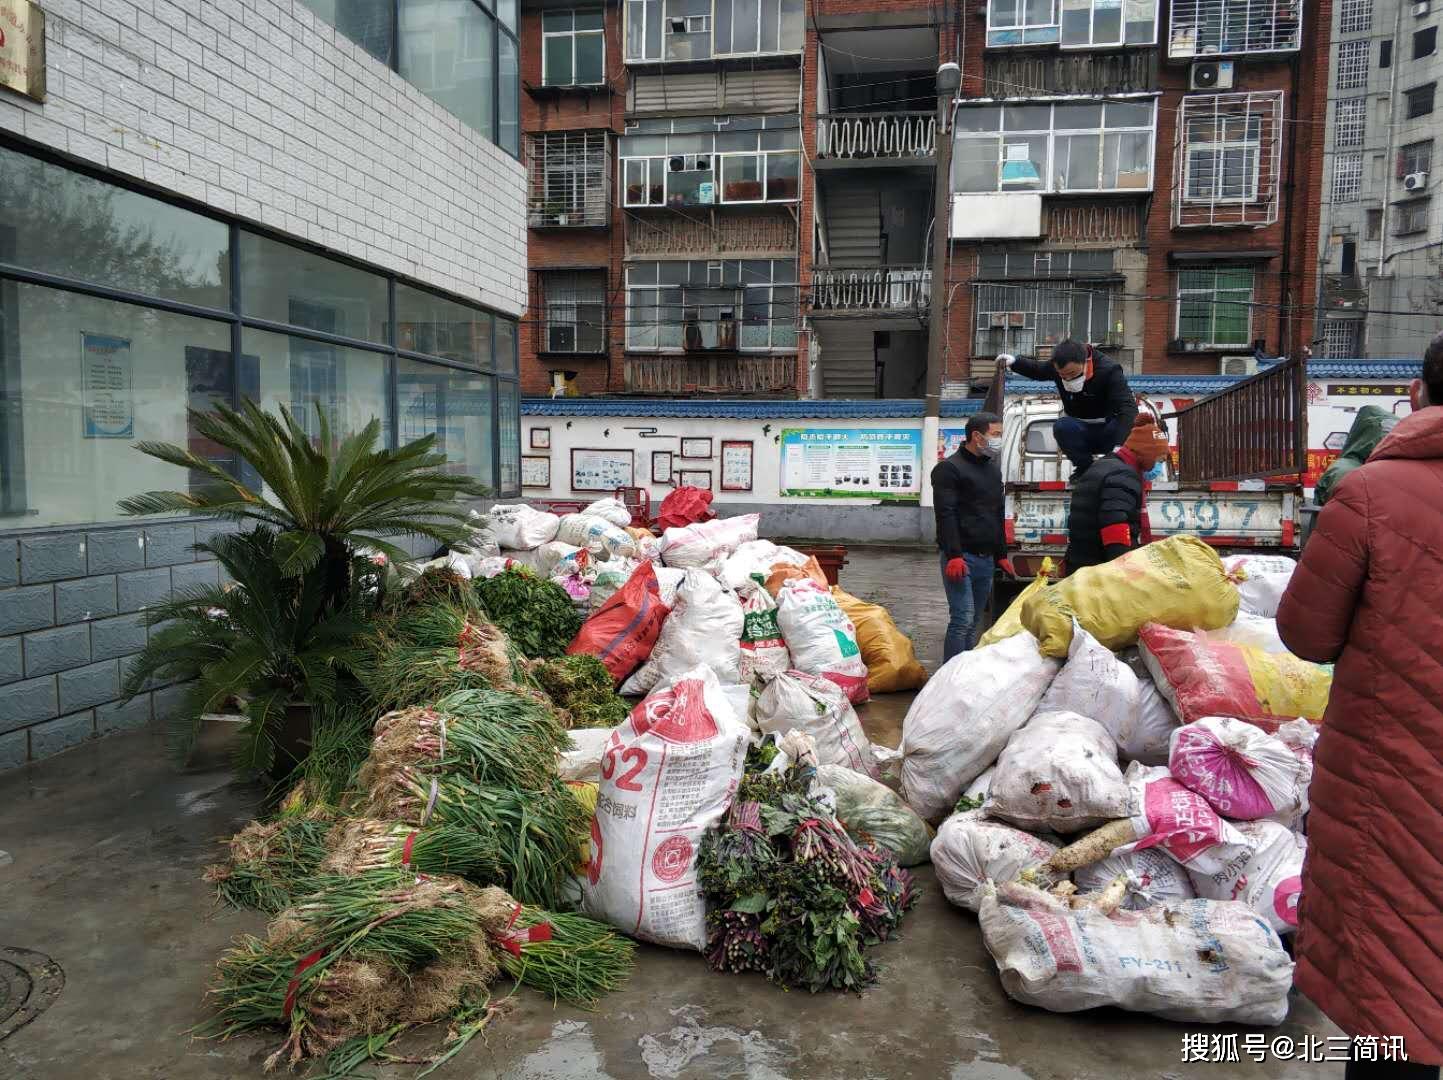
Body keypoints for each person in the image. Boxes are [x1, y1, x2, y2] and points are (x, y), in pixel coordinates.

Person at [1274, 331, 1443, 1079]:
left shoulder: (1371, 495)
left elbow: (1306, 634)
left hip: (1398, 782)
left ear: (1416, 393)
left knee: (1395, 998)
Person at [931, 411, 1006, 661]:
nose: (999, 439)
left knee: (974, 621)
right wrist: (953, 554)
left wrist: (1002, 553)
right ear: (977, 436)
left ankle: (964, 674)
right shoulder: (949, 469)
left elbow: (997, 512)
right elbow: (946, 514)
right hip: (961, 557)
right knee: (962, 618)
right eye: (996, 434)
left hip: (985, 559)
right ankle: (948, 677)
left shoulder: (992, 471)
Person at [1000, 340, 1138, 472]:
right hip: (1079, 430)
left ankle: (1113, 467)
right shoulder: (1057, 366)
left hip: (1107, 430)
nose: (1067, 378)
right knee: (1061, 426)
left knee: (1120, 425)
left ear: (1085, 361)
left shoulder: (1109, 370)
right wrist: (1014, 362)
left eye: (1072, 373)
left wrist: (1120, 446)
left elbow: (1127, 408)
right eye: (1062, 375)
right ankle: (1084, 468)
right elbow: (1038, 369)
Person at [1062, 415, 1170, 572]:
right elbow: (1115, 527)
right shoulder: (1123, 475)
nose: (1157, 465)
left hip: (1082, 563)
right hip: (1098, 571)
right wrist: (1125, 572)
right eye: (1158, 459)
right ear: (1146, 454)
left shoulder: (1104, 465)